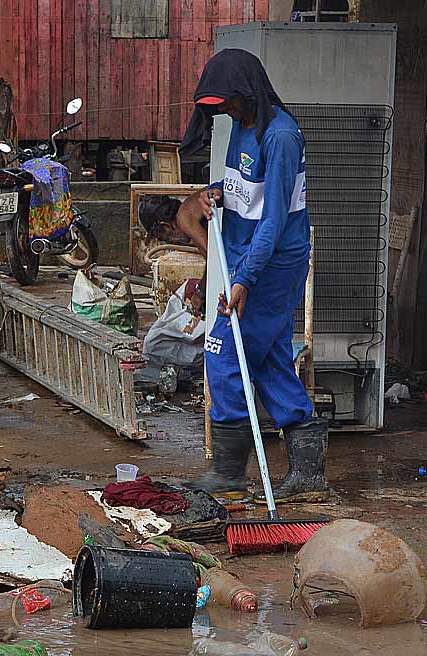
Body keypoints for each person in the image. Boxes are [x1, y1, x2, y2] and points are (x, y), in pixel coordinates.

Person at [178, 49, 330, 502]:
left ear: (249, 93)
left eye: (227, 102)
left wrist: (244, 278)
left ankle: (228, 472)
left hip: (272, 264)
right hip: (244, 255)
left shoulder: (280, 137)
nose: (223, 111)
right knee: (264, 359)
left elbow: (274, 219)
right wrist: (214, 194)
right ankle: (308, 472)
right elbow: (248, 194)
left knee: (223, 353)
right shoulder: (239, 130)